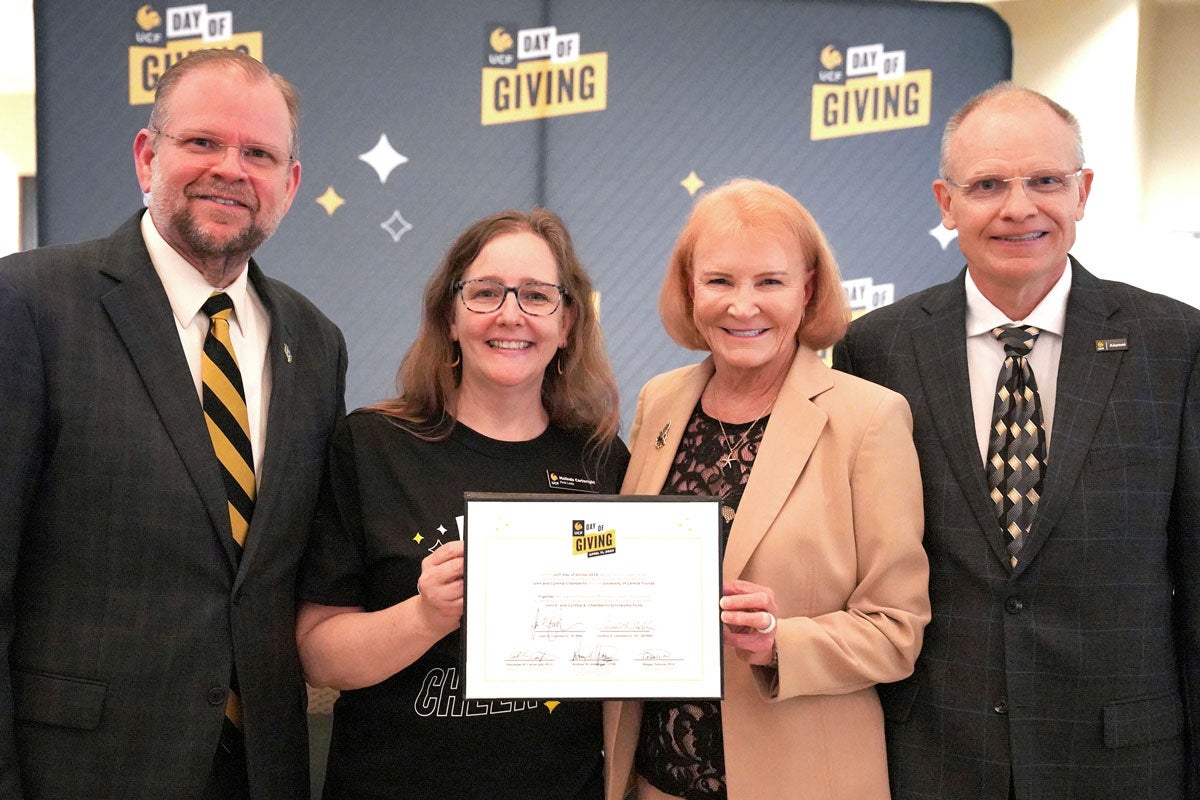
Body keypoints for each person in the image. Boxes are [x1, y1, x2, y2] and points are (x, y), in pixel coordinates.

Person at [833, 83, 1200, 800]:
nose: (1019, 207)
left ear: (1083, 191)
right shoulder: (876, 349)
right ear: (946, 201)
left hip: (1125, 761)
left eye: (1045, 181)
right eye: (988, 184)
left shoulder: (1176, 344)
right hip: (935, 755)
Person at [0, 49, 347, 800]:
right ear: (145, 156)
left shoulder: (316, 343)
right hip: (80, 772)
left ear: (288, 185)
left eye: (259, 153)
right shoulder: (29, 305)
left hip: (261, 770)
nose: (231, 168)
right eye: (202, 143)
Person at [604, 178, 930, 800]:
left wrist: (783, 643)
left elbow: (897, 630)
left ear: (808, 290)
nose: (742, 306)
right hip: (654, 780)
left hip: (801, 778)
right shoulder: (659, 400)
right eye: (720, 281)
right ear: (689, 288)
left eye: (770, 282)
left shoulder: (869, 419)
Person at [297, 208, 630, 800]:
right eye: (485, 293)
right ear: (450, 316)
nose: (510, 314)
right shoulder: (372, 447)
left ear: (568, 322)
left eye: (536, 295)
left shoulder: (602, 462)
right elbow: (318, 656)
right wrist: (425, 616)